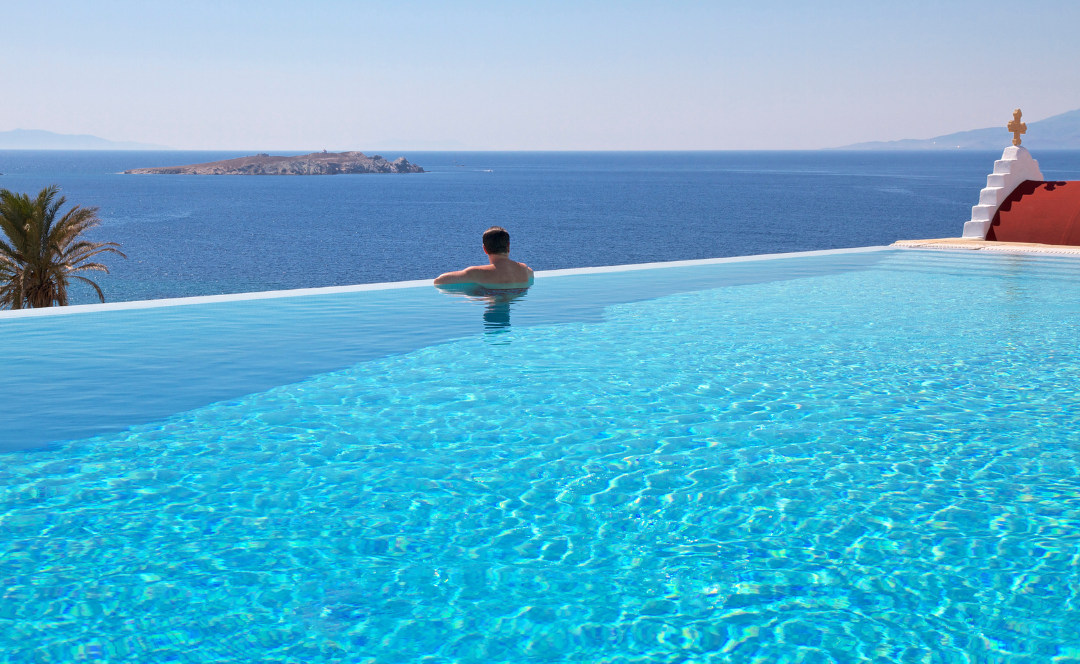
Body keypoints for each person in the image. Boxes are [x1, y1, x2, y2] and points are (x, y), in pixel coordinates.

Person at [434, 226, 534, 287]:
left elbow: (439, 281)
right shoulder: (525, 270)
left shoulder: (477, 273)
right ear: (508, 246)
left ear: (484, 249)